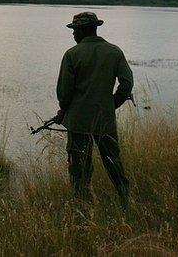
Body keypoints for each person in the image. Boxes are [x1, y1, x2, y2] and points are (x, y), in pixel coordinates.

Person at [55, 11, 133, 209]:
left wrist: (62, 112)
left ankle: (82, 206)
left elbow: (64, 93)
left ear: (82, 30)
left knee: (79, 167)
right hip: (105, 121)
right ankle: (125, 201)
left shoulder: (72, 54)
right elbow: (126, 84)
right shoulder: (114, 51)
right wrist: (111, 104)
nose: (73, 34)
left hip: (79, 122)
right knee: (113, 161)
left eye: (74, 30)